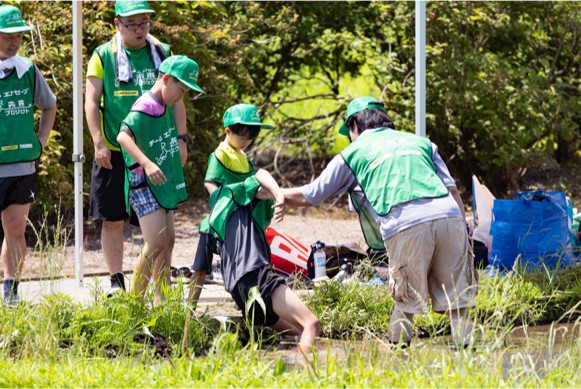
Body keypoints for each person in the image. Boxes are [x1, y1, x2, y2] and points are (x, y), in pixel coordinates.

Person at [283, 96, 478, 348]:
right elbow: (453, 192)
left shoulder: (353, 153)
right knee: (459, 304)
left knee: (405, 303)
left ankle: (398, 360)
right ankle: (468, 358)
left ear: (354, 125)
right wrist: (464, 238)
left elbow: (311, 195)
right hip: (450, 217)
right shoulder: (422, 143)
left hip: (406, 224)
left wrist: (273, 193)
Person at [188, 104, 320, 355]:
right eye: (243, 133)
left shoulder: (211, 224)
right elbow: (260, 177)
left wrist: (188, 315)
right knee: (311, 325)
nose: (248, 139)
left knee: (295, 334)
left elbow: (199, 271)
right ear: (228, 131)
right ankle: (306, 378)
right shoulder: (238, 199)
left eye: (253, 135)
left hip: (244, 299)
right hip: (259, 279)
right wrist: (278, 195)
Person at [85, 0, 189, 295]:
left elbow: (178, 99)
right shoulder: (103, 55)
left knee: (162, 231)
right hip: (116, 149)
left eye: (145, 22)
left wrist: (182, 139)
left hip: (154, 151)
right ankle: (117, 281)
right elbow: (91, 102)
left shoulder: (162, 52)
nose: (140, 29)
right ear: (117, 24)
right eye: (133, 24)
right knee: (113, 218)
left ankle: (160, 288)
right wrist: (98, 142)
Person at [117, 55, 204, 305]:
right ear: (166, 79)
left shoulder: (166, 102)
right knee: (155, 242)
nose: (181, 97)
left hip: (162, 183)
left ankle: (161, 300)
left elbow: (178, 110)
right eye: (181, 89)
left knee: (168, 241)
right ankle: (135, 302)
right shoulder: (145, 106)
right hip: (143, 183)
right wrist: (146, 163)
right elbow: (123, 137)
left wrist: (181, 140)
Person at [0, 5, 57, 305]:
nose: (14, 42)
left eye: (19, 36)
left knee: (16, 230)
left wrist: (41, 141)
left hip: (22, 167)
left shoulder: (28, 69)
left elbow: (49, 105)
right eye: (7, 35)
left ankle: (11, 290)